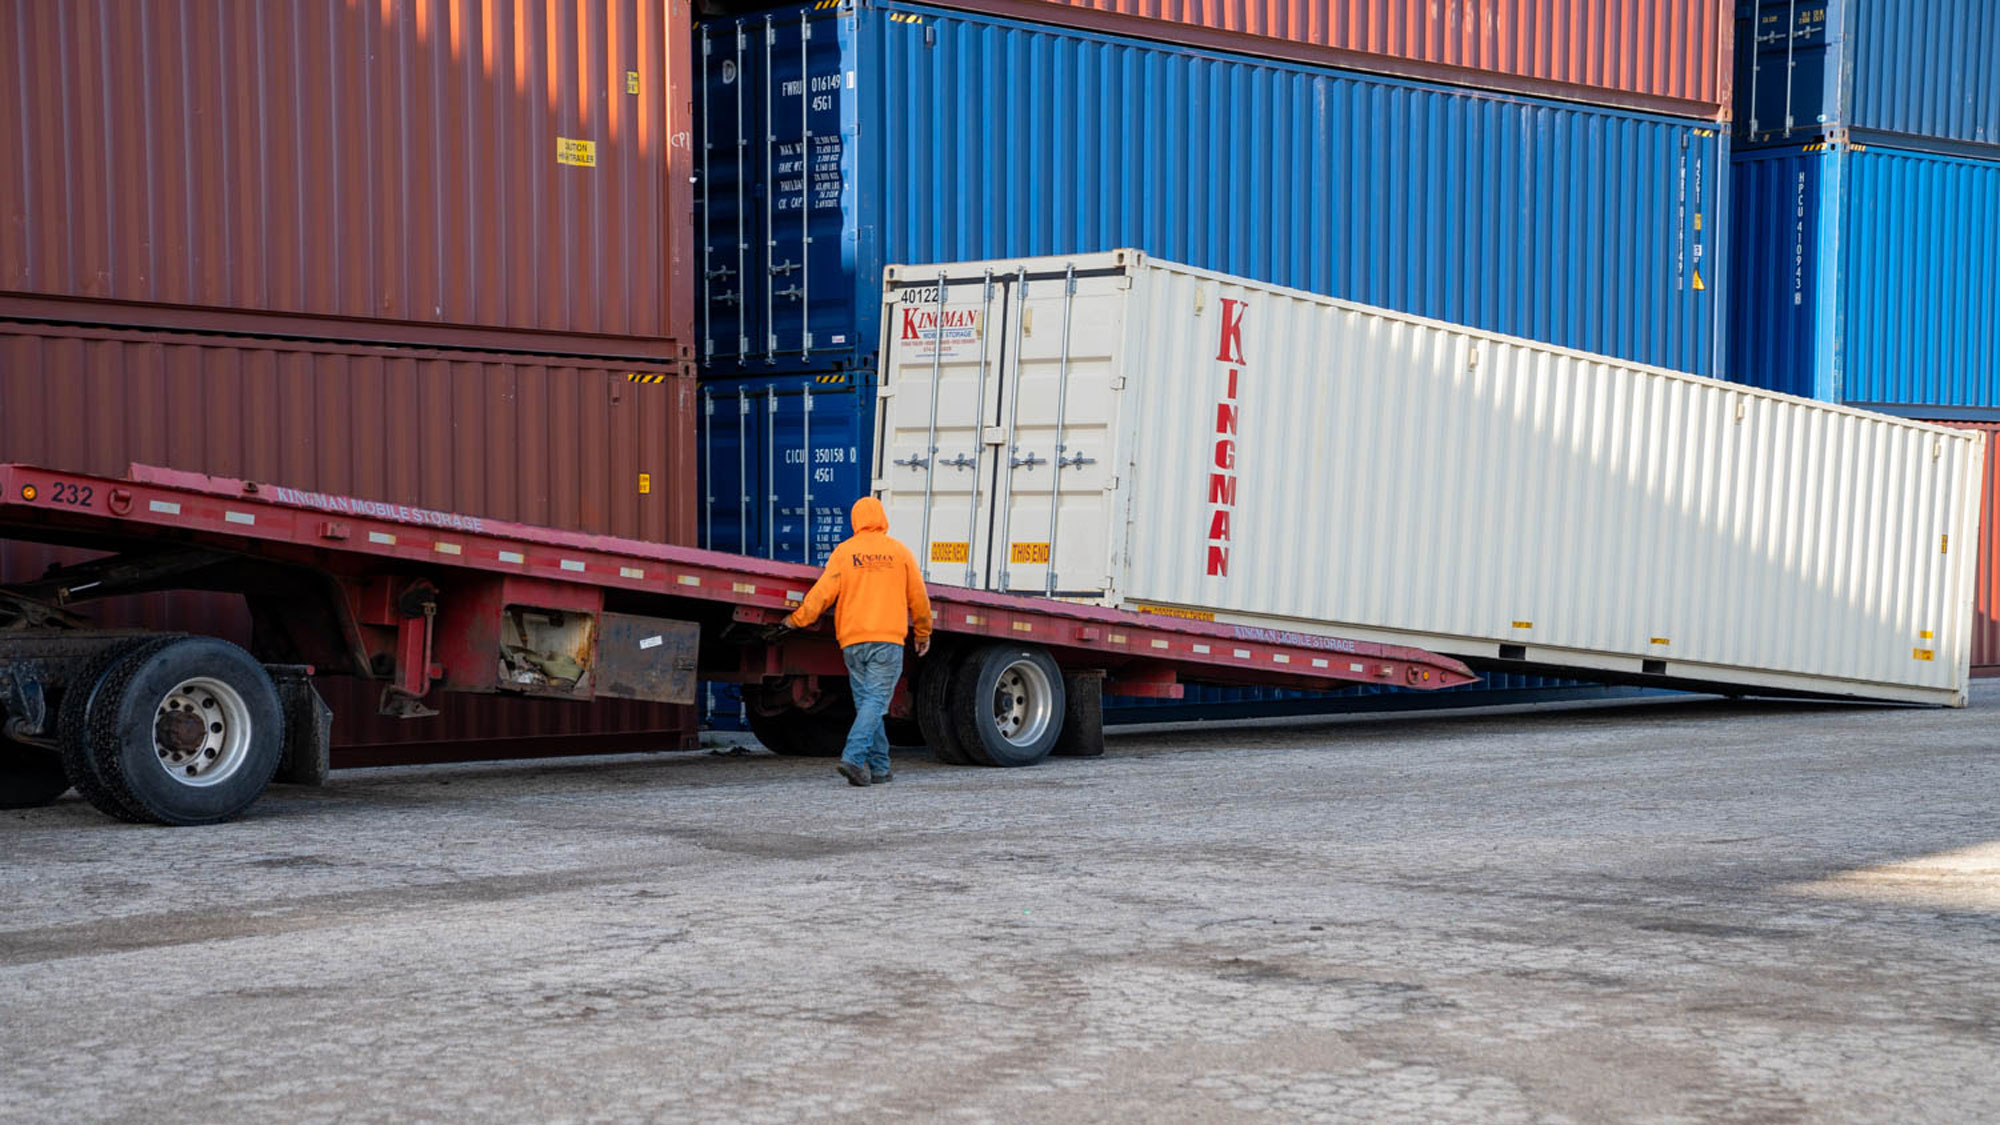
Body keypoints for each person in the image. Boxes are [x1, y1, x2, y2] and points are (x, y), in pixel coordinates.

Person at [775, 496, 932, 787]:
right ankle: (853, 757)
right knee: (875, 702)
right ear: (883, 518)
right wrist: (923, 633)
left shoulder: (844, 553)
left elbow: (821, 594)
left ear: (855, 520)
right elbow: (919, 599)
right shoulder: (900, 553)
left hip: (852, 643)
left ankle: (881, 769)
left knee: (868, 705)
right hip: (886, 641)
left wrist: (796, 620)